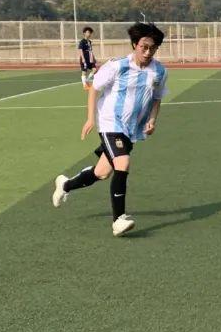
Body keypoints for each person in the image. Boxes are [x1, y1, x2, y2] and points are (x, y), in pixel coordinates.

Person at [52, 22, 168, 236]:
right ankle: (118, 220)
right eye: (144, 47)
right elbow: (94, 88)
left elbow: (157, 99)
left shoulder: (159, 71)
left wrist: (152, 120)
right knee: (123, 162)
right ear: (134, 44)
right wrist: (90, 119)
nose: (147, 52)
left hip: (131, 129)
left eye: (152, 48)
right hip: (110, 122)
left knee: (102, 172)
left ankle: (65, 185)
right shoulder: (118, 66)